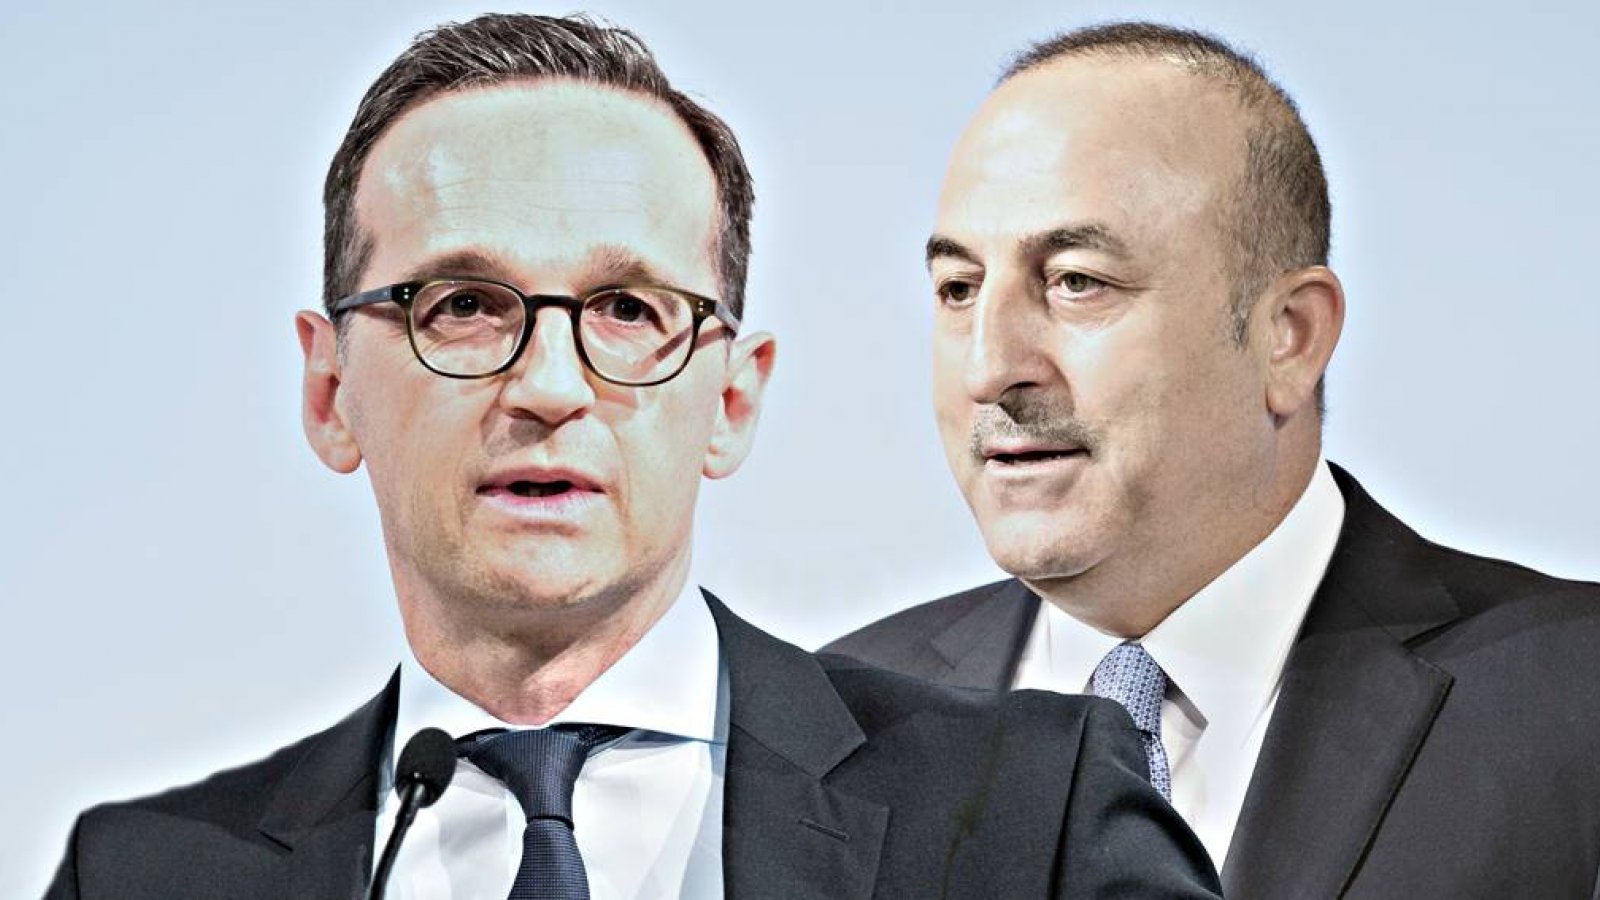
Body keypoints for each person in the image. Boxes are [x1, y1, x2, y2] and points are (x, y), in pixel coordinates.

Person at [44, 13, 1219, 900]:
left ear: (731, 399)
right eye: (462, 306)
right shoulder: (141, 875)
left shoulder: (1030, 814)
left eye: (626, 311)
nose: (550, 387)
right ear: (328, 391)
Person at [825, 20, 1600, 900]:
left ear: (1289, 337)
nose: (989, 368)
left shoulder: (1575, 696)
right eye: (959, 290)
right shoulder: (825, 726)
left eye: (1076, 281)